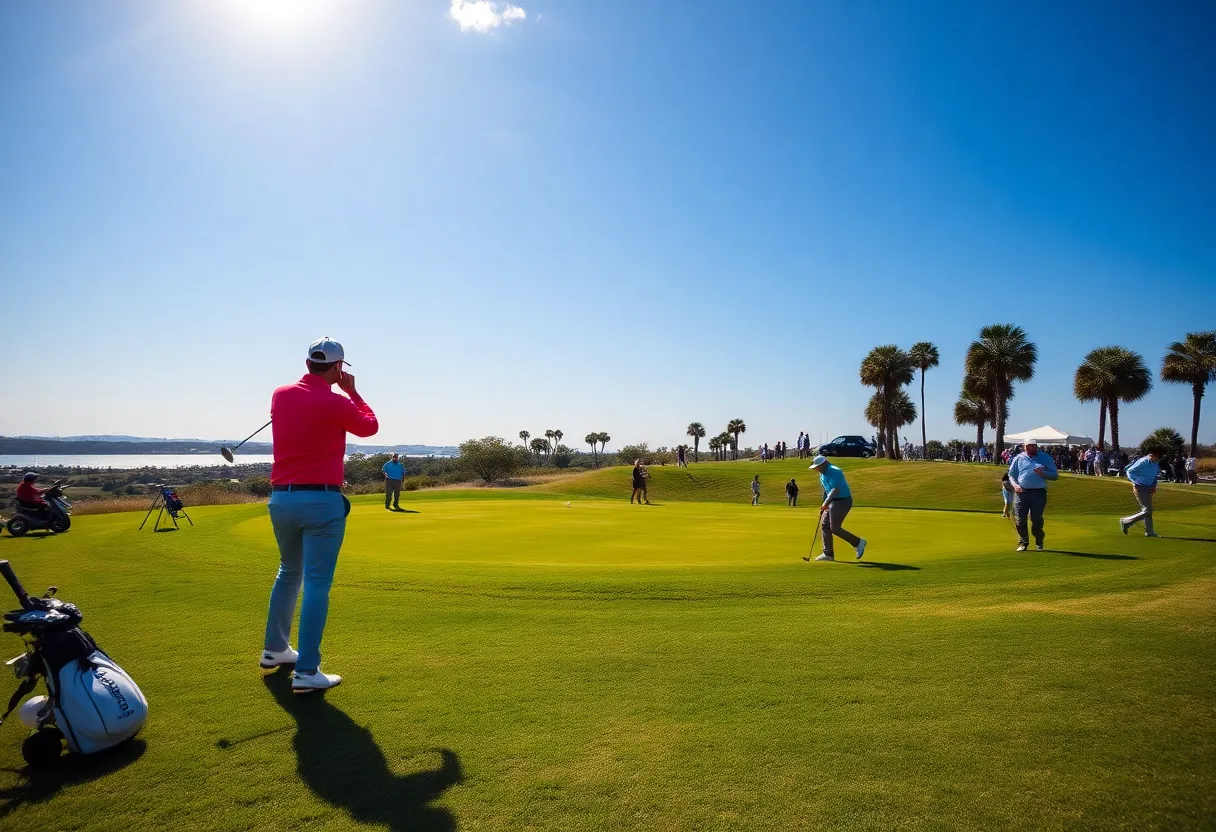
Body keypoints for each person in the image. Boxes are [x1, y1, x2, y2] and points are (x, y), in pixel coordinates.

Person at [261, 337, 379, 694]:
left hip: (282, 501)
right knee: (316, 584)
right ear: (339, 367)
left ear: (308, 361)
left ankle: (275, 649)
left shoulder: (280, 394)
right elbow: (369, 426)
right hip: (321, 502)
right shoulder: (337, 402)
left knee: (288, 573)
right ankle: (307, 671)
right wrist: (354, 393)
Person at [809, 455, 867, 562]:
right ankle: (828, 554)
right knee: (825, 526)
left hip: (843, 500)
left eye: (817, 467)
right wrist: (824, 503)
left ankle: (858, 542)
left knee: (834, 527)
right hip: (833, 501)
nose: (816, 469)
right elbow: (826, 490)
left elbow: (835, 489)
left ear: (823, 464)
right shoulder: (822, 475)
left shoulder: (835, 471)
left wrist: (826, 502)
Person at [1007, 438, 1059, 551]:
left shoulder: (1045, 457)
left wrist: (1044, 474)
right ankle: (1023, 542)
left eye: (1034, 446)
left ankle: (1039, 540)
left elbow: (1054, 475)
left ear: (1037, 447)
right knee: (1020, 519)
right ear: (1024, 447)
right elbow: (1011, 475)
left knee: (1036, 519)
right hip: (1021, 492)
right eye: (1029, 446)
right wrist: (1015, 485)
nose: (1031, 448)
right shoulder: (1019, 458)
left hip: (1038, 492)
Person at [1120, 451, 1161, 537]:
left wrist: (1154, 486)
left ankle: (1149, 532)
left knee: (1148, 510)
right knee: (1147, 510)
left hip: (1149, 487)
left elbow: (1154, 476)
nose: (1157, 457)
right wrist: (1135, 483)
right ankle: (1126, 521)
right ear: (1151, 454)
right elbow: (1130, 471)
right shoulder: (1143, 461)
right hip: (1140, 487)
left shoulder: (1155, 464)